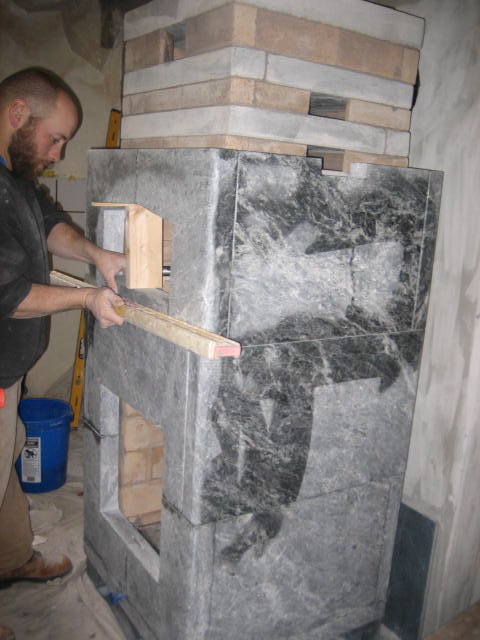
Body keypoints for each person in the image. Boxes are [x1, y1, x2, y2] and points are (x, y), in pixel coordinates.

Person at [0, 68, 126, 640]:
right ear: (18, 114)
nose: (58, 153)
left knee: (6, 460)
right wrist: (87, 299)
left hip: (8, 369)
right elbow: (9, 296)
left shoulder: (15, 175)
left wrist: (97, 255)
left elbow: (48, 222)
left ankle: (11, 559)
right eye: (55, 139)